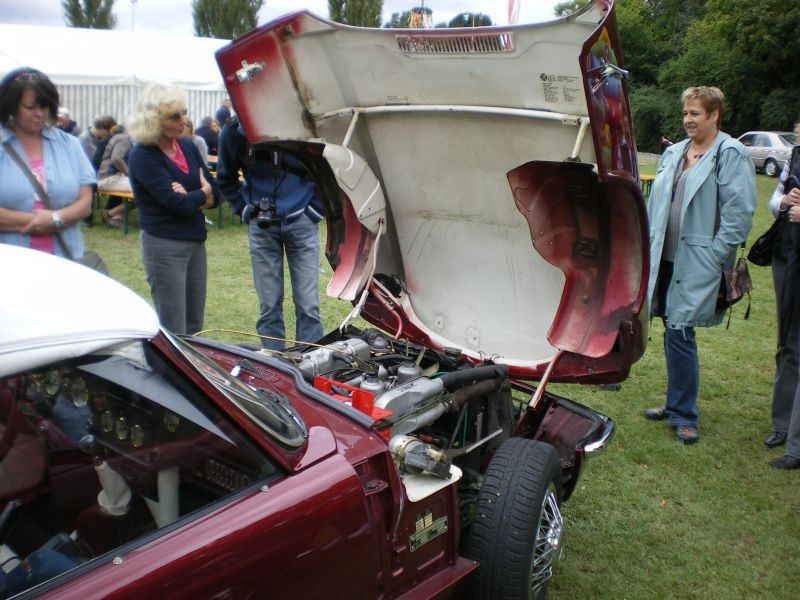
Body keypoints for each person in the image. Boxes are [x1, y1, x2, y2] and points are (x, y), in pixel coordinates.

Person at [643, 86, 756, 444]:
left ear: (714, 115)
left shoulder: (730, 153)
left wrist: (715, 254)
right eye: (685, 113)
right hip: (664, 257)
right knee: (671, 326)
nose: (688, 120)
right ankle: (674, 403)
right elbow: (656, 201)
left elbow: (739, 212)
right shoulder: (674, 152)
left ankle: (684, 414)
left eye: (695, 113)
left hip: (697, 260)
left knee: (680, 330)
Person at [216, 117, 324, 350]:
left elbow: (328, 168)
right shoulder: (233, 132)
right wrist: (244, 209)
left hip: (301, 220)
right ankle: (275, 364)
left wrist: (314, 210)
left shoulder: (301, 122)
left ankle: (311, 362)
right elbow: (225, 178)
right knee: (269, 306)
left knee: (308, 305)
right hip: (262, 225)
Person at [127, 82, 218, 335]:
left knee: (194, 326)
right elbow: (179, 205)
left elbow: (216, 193)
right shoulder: (143, 156)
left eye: (183, 113)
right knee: (174, 327)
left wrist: (195, 196)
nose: (183, 121)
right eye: (174, 116)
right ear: (153, 120)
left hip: (195, 241)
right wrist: (202, 193)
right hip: (164, 245)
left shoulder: (187, 145)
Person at [0, 67, 94, 257]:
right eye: (30, 107)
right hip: (10, 261)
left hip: (67, 258)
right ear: (11, 106)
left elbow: (85, 203)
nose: (39, 114)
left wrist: (55, 219)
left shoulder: (70, 145)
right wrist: (42, 221)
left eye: (44, 107)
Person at [764, 120, 800, 470]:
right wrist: (784, 202)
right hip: (787, 258)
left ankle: (796, 443)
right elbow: (774, 201)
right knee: (786, 344)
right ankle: (782, 425)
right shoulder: (795, 157)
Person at [96, 122, 133, 227]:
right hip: (109, 179)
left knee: (143, 190)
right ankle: (109, 214)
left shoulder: (116, 138)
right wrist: (128, 173)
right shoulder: (124, 138)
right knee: (144, 192)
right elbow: (116, 158)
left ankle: (115, 217)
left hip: (105, 177)